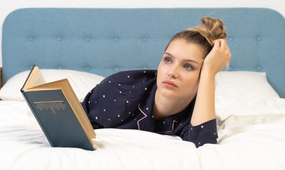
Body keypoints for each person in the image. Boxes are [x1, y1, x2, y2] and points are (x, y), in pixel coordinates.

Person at [82, 17, 231, 147]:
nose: (172, 72)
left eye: (188, 66)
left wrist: (209, 72)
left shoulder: (197, 114)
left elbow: (205, 145)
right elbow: (72, 123)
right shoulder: (119, 89)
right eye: (168, 60)